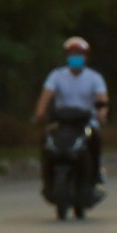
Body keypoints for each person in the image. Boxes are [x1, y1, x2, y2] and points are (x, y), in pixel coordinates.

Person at [34, 36, 109, 195]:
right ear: (67, 56)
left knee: (94, 140)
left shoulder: (94, 78)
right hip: (62, 122)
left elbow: (102, 99)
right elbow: (46, 96)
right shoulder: (57, 75)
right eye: (72, 54)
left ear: (86, 57)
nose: (76, 57)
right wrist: (40, 113)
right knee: (46, 142)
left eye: (79, 54)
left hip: (86, 122)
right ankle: (47, 178)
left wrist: (101, 114)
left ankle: (96, 175)